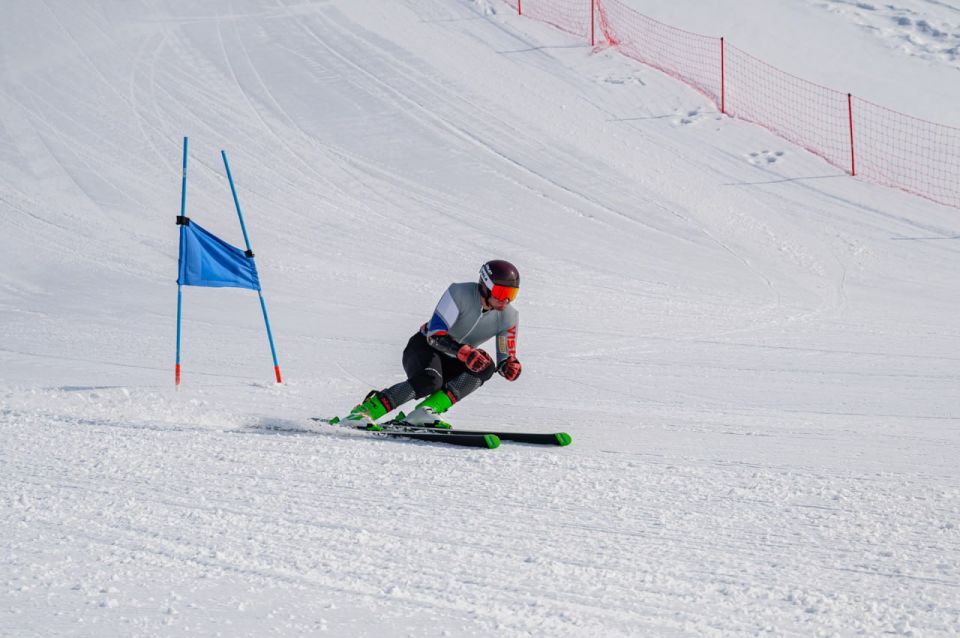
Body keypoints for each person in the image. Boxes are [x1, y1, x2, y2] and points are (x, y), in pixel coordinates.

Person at [345, 259, 523, 426]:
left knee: (486, 366)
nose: (506, 300)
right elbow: (435, 335)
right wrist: (465, 352)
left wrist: (508, 367)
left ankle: (425, 412)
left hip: (457, 358)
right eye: (502, 292)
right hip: (425, 347)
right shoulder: (459, 293)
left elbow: (506, 357)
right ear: (485, 287)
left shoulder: (509, 316)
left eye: (512, 294)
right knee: (430, 381)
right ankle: (364, 412)